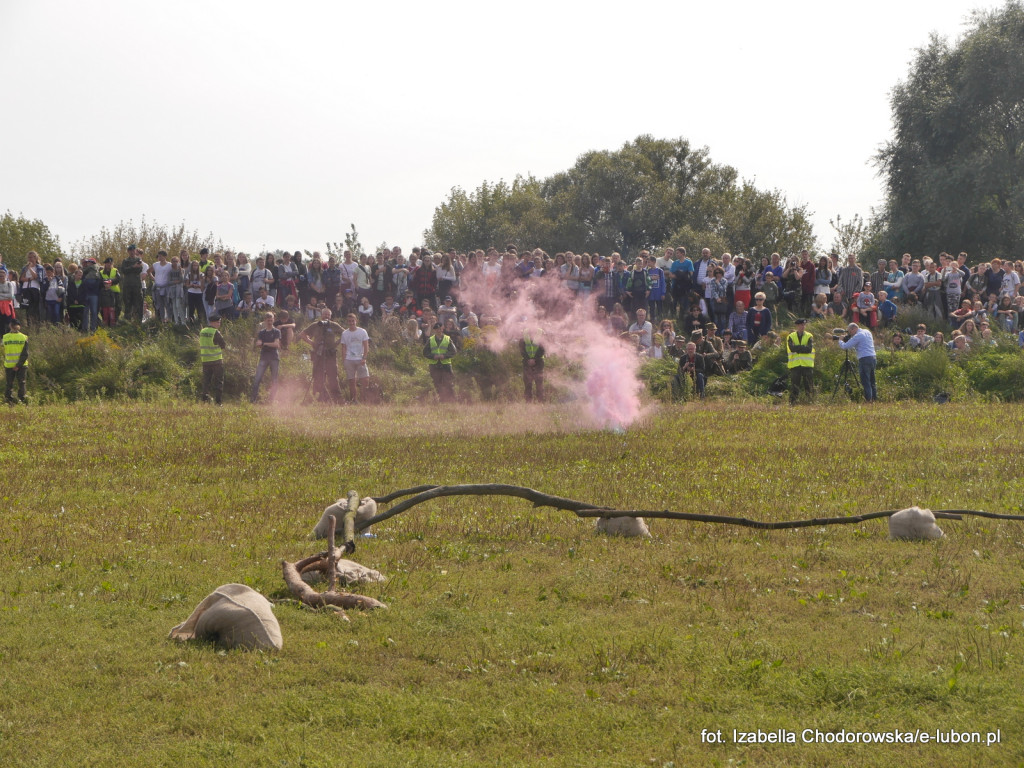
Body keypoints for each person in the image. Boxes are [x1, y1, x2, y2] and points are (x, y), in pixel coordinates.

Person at [300, 307, 344, 403]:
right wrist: (311, 343)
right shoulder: (315, 325)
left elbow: (345, 333)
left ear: (331, 316)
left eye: (328, 315)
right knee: (318, 376)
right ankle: (320, 397)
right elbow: (302, 334)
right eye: (325, 314)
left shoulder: (334, 325)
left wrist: (336, 343)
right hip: (318, 353)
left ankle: (337, 399)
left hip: (330, 353)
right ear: (321, 315)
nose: (326, 316)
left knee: (333, 376)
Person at [838, 322, 877, 402]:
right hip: (872, 357)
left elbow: (845, 346)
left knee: (866, 381)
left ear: (854, 329)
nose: (850, 334)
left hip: (864, 358)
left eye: (850, 331)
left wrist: (840, 340)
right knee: (872, 381)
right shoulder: (867, 331)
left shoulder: (858, 336)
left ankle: (868, 400)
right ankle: (874, 399)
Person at [251, 312, 281, 403]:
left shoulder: (276, 331)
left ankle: (272, 400)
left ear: (273, 320)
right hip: (264, 357)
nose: (270, 322)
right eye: (268, 320)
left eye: (271, 320)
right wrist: (264, 344)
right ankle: (253, 400)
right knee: (257, 379)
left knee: (274, 379)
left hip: (274, 357)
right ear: (265, 320)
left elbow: (276, 344)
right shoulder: (262, 332)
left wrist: (264, 344)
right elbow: (258, 343)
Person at [423, 321, 457, 403]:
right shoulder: (430, 340)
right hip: (434, 364)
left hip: (446, 364)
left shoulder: (448, 339)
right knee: (436, 383)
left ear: (442, 329)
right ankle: (438, 400)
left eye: (440, 329)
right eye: (437, 329)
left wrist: (444, 356)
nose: (439, 331)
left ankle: (451, 400)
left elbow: (453, 352)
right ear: (435, 330)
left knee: (448, 383)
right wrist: (433, 356)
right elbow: (425, 352)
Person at [341, 312, 371, 403]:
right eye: (349, 321)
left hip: (360, 358)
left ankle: (363, 398)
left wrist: (364, 357)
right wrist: (344, 360)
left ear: (356, 321)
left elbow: (366, 346)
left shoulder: (362, 331)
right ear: (347, 322)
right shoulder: (345, 333)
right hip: (349, 359)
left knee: (365, 379)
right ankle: (354, 400)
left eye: (353, 321)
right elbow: (343, 347)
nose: (351, 323)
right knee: (351, 380)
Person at [786, 318, 815, 405]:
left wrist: (797, 348)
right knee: (795, 385)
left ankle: (810, 402)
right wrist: (803, 347)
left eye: (804, 325)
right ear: (797, 326)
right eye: (801, 325)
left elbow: (809, 349)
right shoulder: (791, 336)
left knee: (809, 385)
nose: (803, 326)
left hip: (807, 364)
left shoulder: (809, 336)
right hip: (795, 364)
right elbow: (792, 348)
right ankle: (793, 403)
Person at [199, 314, 226, 405]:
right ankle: (218, 402)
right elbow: (223, 345)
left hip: (205, 360)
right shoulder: (215, 332)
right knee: (218, 382)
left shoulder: (202, 331)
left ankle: (204, 400)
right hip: (216, 361)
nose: (219, 324)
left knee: (206, 381)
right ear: (213, 322)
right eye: (218, 322)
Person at [3, 318, 28, 404]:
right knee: (22, 383)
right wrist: (18, 365)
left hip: (9, 365)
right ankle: (23, 400)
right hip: (22, 365)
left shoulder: (5, 337)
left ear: (10, 326)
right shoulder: (24, 337)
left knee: (9, 384)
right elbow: (25, 354)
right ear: (19, 326)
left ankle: (9, 400)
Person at [520, 327, 545, 403]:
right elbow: (521, 348)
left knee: (539, 383)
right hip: (526, 362)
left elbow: (543, 349)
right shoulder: (524, 333)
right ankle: (528, 401)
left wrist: (535, 359)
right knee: (527, 383)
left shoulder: (541, 332)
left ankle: (540, 401)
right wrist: (528, 359)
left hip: (538, 362)